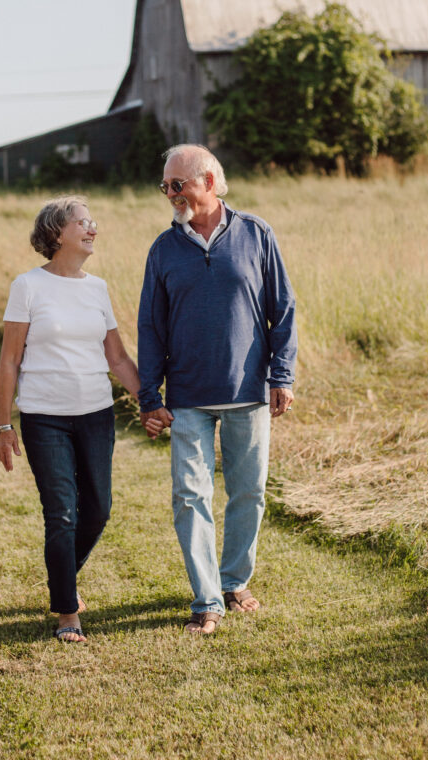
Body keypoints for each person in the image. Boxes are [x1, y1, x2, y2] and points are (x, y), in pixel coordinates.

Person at [138, 144, 297, 635]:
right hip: (187, 397)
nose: (170, 194)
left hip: (248, 391)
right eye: (165, 186)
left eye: (177, 184)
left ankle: (234, 581)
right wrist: (150, 395)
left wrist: (282, 374)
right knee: (190, 496)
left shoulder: (256, 233)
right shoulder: (163, 249)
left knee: (248, 493)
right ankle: (207, 600)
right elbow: (150, 326)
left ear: (208, 181)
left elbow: (283, 310)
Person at [0, 196, 141, 644]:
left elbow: (115, 357)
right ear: (58, 233)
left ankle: (63, 580)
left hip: (96, 414)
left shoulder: (96, 288)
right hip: (45, 418)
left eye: (94, 222)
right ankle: (66, 612)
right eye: (84, 222)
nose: (93, 228)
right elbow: (9, 361)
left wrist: (151, 401)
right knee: (61, 514)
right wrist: (5, 425)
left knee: (98, 509)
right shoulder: (28, 286)